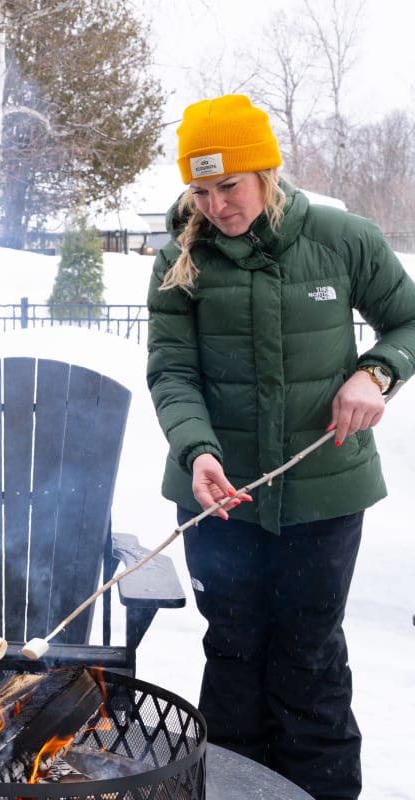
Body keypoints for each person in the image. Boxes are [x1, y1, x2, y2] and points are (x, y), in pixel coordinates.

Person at [146, 93, 415, 800]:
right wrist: (197, 452)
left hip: (324, 494)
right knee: (233, 654)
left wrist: (375, 371)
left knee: (308, 657)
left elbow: (408, 321)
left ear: (266, 171)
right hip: (217, 498)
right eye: (199, 190)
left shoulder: (340, 236)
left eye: (228, 185)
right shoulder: (182, 257)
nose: (215, 205)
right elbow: (172, 370)